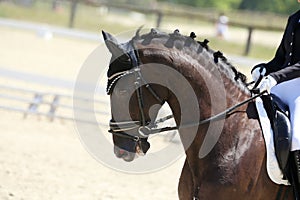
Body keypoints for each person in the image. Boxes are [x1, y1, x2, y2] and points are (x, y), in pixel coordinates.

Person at [251, 3, 300, 196]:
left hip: (298, 88)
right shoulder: (294, 18)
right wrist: (264, 68)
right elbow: (281, 59)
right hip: (283, 84)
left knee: (296, 137)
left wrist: (275, 77)